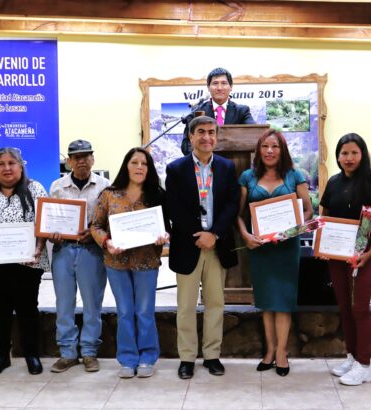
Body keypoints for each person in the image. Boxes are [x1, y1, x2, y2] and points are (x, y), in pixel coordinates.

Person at [166, 116, 240, 379]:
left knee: (215, 303)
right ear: (191, 136)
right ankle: (186, 358)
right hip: (188, 245)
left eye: (211, 132)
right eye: (201, 132)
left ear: (216, 137)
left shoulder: (227, 167)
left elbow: (232, 203)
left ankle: (212, 355)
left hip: (217, 245)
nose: (206, 137)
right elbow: (174, 208)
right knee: (185, 306)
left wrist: (215, 234)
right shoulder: (175, 169)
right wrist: (199, 235)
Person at [236, 129, 312, 377]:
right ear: (258, 150)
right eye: (265, 146)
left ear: (283, 150)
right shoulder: (247, 177)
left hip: (286, 249)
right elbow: (238, 214)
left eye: (275, 146)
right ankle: (269, 350)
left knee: (283, 303)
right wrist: (246, 236)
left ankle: (281, 352)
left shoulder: (294, 175)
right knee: (267, 303)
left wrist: (291, 231)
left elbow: (308, 211)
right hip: (260, 249)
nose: (269, 151)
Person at [319, 133, 371, 386]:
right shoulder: (334, 182)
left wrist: (370, 251)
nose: (348, 158)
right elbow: (324, 215)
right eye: (344, 153)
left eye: (354, 153)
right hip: (337, 256)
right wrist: (323, 243)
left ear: (363, 154)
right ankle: (352, 356)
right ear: (337, 156)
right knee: (345, 308)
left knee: (360, 308)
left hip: (364, 257)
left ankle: (365, 365)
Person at [91, 147, 169, 378]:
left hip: (147, 262)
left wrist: (165, 237)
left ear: (150, 168)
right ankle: (127, 359)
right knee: (125, 311)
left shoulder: (157, 195)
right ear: (126, 165)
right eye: (134, 162)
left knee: (144, 311)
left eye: (144, 164)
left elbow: (168, 228)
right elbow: (95, 225)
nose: (139, 167)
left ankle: (147, 357)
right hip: (116, 263)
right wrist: (107, 242)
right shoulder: (109, 195)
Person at [0, 147, 49, 376]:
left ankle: (31, 355)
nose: (7, 168)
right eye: (1, 164)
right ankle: (1, 356)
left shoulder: (35, 189)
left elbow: (44, 222)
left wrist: (39, 247)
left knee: (28, 310)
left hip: (28, 262)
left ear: (21, 166)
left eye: (11, 163)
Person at [48, 140, 110, 373]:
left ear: (93, 159)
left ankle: (90, 352)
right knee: (64, 304)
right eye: (76, 157)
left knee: (92, 303)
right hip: (63, 249)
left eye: (86, 156)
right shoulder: (57, 187)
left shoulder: (105, 186)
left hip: (91, 251)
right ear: (69, 161)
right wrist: (51, 233)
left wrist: (93, 233)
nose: (82, 161)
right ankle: (67, 352)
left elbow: (109, 219)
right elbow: (50, 219)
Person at [181, 67, 255, 155]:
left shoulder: (242, 112)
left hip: (235, 164)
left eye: (224, 83)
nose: (219, 88)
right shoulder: (197, 112)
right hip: (204, 165)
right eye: (215, 83)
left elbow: (254, 136)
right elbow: (186, 145)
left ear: (231, 87)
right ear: (208, 87)